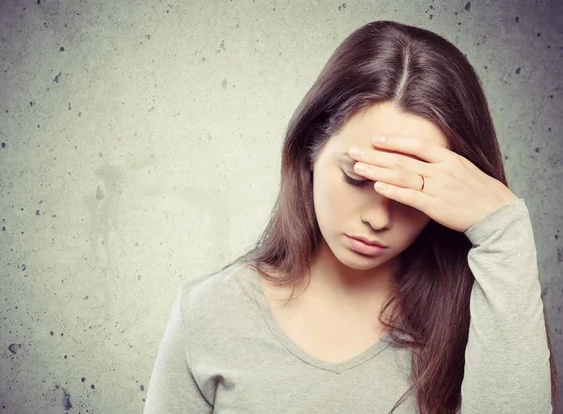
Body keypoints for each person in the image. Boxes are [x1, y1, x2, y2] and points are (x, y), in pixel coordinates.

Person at [143, 20, 557, 413]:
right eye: (356, 178)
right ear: (310, 150)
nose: (378, 218)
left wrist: (504, 228)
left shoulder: (481, 314)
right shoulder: (210, 313)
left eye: (411, 191)